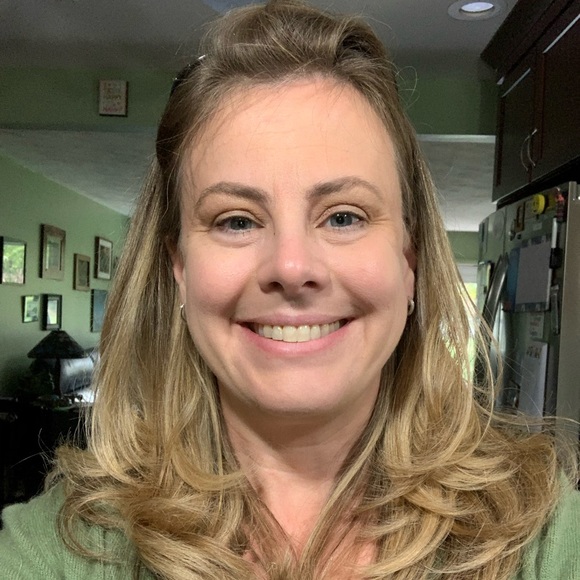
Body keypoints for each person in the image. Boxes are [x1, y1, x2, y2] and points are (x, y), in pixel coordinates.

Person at [1, 0, 579, 578]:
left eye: (344, 216)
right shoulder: (58, 549)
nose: (292, 265)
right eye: (236, 221)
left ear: (410, 261)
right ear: (180, 268)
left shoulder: (544, 534)